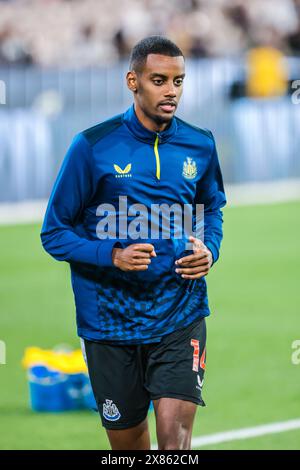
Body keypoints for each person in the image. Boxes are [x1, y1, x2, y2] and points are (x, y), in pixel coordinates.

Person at [41, 36, 226, 450]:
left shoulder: (200, 143)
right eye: (159, 80)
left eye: (178, 81)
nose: (171, 91)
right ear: (132, 81)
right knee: (129, 446)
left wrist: (209, 248)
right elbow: (53, 232)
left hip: (180, 313)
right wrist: (112, 255)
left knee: (174, 440)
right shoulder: (92, 146)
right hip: (109, 322)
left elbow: (212, 207)